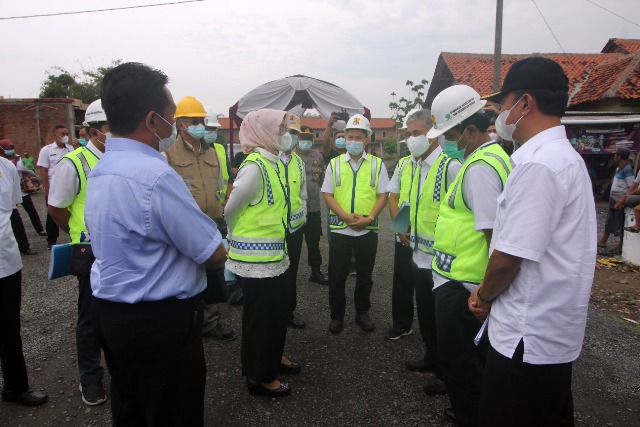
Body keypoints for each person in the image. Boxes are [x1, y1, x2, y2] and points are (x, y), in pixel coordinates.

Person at [85, 62, 226, 426]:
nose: (175, 125)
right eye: (170, 117)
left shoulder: (101, 168)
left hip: (112, 315)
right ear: (152, 121)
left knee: (130, 406)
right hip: (159, 324)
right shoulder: (156, 176)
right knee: (172, 412)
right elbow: (212, 252)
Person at [469, 56, 597, 427]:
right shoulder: (561, 158)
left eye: (502, 103)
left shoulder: (539, 164)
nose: (498, 113)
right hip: (547, 331)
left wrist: (483, 296)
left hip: (526, 337)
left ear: (525, 103)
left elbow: (510, 256)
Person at [426, 84, 512, 426]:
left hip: (465, 284)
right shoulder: (489, 158)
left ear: (471, 131)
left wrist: (485, 290)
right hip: (465, 280)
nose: (445, 142)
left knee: (460, 363)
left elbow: (495, 237)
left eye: (449, 134)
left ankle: (471, 416)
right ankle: (474, 410)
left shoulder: (479, 169)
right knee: (475, 359)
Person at [225, 109, 300, 397]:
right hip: (255, 261)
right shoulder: (254, 165)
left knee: (278, 312)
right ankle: (259, 376)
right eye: (279, 128)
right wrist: (232, 236)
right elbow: (232, 208)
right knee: (261, 319)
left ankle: (274, 357)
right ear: (263, 132)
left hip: (275, 257)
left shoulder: (275, 161)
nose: (285, 134)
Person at [394, 110, 462, 398]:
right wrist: (400, 229)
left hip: (443, 260)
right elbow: (401, 200)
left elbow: (461, 213)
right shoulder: (408, 165)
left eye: (417, 133)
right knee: (425, 313)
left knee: (445, 319)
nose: (412, 139)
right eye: (410, 133)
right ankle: (431, 358)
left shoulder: (450, 166)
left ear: (434, 133)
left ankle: (448, 374)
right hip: (417, 255)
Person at [47, 99, 109, 406]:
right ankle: (90, 376)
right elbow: (57, 208)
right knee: (90, 318)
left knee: (119, 313)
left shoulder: (121, 158)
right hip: (92, 252)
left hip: (121, 250)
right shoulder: (74, 163)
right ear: (95, 130)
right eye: (111, 127)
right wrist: (76, 230)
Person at [165, 96, 236, 342]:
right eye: (193, 121)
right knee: (185, 273)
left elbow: (221, 184)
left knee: (212, 274)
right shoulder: (169, 155)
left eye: (201, 121)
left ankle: (209, 321)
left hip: (213, 222)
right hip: (187, 225)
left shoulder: (213, 152)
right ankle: (188, 321)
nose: (199, 125)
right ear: (180, 124)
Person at [322, 114, 389, 334]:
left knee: (365, 276)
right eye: (349, 136)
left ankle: (362, 313)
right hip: (341, 229)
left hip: (367, 229)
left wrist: (368, 219)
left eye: (357, 137)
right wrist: (344, 216)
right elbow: (328, 194)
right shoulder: (334, 164)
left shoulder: (378, 165)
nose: (352, 140)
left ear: (366, 140)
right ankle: (336, 316)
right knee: (337, 275)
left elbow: (382, 195)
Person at [0, 155, 48, 407]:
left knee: (9, 328)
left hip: (6, 262)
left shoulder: (6, 167)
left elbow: (10, 208)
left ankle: (15, 386)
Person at [280, 115, 308, 329]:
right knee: (275, 272)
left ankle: (288, 311)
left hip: (295, 228)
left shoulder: (299, 162)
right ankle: (275, 312)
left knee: (292, 271)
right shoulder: (270, 158)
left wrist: (303, 217)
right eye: (288, 132)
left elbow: (303, 195)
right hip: (275, 229)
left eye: (295, 133)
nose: (291, 136)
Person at [297, 125, 329, 286]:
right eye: (303, 138)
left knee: (314, 240)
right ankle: (287, 271)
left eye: (309, 138)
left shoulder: (317, 156)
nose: (306, 141)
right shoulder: (290, 156)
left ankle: (315, 271)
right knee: (292, 241)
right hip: (295, 208)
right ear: (297, 139)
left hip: (314, 207)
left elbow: (321, 178)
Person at [37, 124, 74, 249]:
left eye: (67, 134)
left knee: (70, 212)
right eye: (63, 134)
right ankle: (51, 240)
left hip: (68, 187)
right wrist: (47, 188)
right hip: (53, 187)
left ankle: (73, 236)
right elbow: (43, 170)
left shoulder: (71, 149)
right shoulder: (47, 150)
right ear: (55, 134)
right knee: (52, 214)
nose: (65, 136)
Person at [598, 147, 635, 252]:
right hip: (613, 198)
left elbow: (631, 186)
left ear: (620, 156)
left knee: (620, 221)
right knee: (610, 219)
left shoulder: (628, 169)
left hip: (620, 200)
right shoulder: (619, 168)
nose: (614, 157)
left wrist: (624, 199)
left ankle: (621, 245)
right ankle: (603, 241)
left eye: (616, 155)